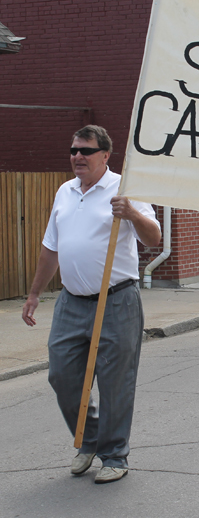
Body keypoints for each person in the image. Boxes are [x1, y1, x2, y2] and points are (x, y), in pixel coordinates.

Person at [22, 125, 161, 484]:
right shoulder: (65, 192)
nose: (77, 157)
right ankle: (90, 441)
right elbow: (52, 248)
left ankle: (114, 455)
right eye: (73, 150)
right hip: (71, 302)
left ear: (105, 155)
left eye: (85, 150)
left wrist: (132, 214)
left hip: (117, 301)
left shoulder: (125, 190)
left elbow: (154, 238)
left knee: (115, 382)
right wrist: (35, 293)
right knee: (62, 375)